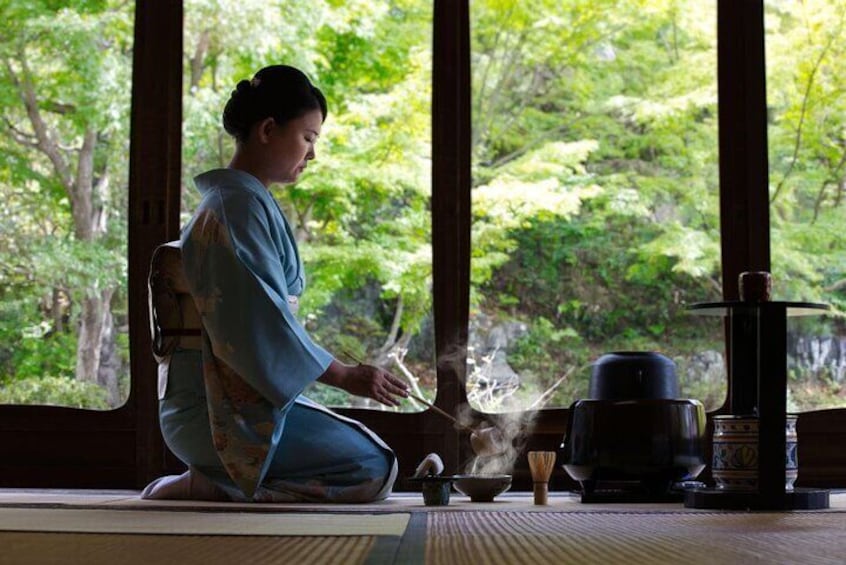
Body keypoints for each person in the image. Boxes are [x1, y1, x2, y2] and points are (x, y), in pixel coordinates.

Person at [141, 65, 409, 503]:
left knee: (373, 453)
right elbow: (258, 322)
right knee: (370, 467)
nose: (312, 155)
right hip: (212, 410)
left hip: (223, 399)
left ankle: (218, 481)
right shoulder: (236, 208)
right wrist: (344, 375)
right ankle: (211, 481)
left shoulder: (241, 204)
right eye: (308, 138)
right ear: (268, 129)